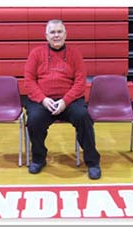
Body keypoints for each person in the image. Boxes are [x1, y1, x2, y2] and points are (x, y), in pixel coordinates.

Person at [24, 19, 101, 179]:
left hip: (70, 101)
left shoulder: (75, 54)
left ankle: (92, 162)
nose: (56, 35)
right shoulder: (36, 54)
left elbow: (80, 82)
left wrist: (65, 101)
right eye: (52, 32)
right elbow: (29, 81)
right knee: (34, 120)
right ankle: (38, 159)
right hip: (44, 101)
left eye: (59, 32)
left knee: (83, 117)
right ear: (46, 36)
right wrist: (43, 99)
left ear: (65, 34)